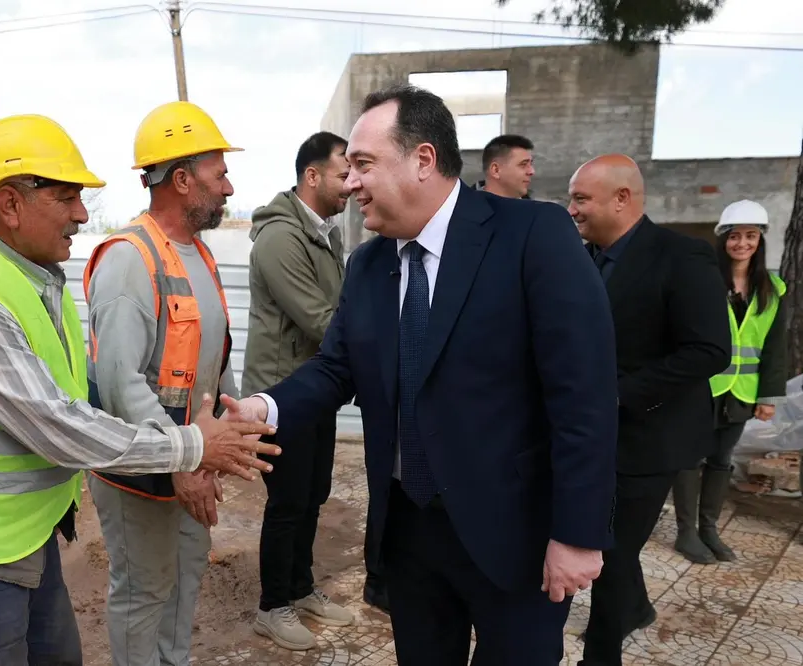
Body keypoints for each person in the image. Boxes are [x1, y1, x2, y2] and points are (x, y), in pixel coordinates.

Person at [223, 84, 619, 665]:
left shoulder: (532, 236)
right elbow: (335, 367)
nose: (350, 181)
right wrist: (264, 408)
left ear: (423, 160)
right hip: (410, 532)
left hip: (516, 533)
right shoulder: (368, 264)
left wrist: (579, 534)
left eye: (362, 164)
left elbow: (583, 394)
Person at [0, 114, 278, 666]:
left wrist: (209, 440)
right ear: (10, 202)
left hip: (26, 537)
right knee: (142, 592)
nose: (81, 213)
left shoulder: (36, 280)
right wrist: (189, 449)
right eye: (67, 197)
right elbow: (60, 424)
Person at [82, 100, 250, 666]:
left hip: (192, 458)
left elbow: (213, 358)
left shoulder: (198, 253)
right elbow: (117, 380)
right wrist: (182, 459)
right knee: (144, 590)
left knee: (184, 579)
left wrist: (219, 444)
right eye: (219, 173)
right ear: (181, 179)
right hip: (141, 464)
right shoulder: (130, 258)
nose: (228, 186)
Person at [567, 154, 731, 666]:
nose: (571, 209)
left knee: (611, 558)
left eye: (581, 199)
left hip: (646, 436)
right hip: (588, 436)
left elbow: (708, 350)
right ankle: (636, 608)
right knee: (610, 544)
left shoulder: (683, 257)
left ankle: (603, 654)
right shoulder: (585, 259)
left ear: (622, 198)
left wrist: (621, 393)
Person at [242, 131, 356, 650]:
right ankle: (273, 606)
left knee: (313, 495)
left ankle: (302, 587)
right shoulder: (281, 237)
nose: (351, 184)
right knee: (288, 501)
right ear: (313, 176)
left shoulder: (323, 232)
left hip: (316, 389)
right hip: (283, 394)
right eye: (342, 173)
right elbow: (319, 318)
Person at [672, 199, 787, 564]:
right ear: (723, 239)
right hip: (702, 389)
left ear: (760, 240)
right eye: (735, 236)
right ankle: (686, 533)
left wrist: (768, 396)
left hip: (742, 391)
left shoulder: (772, 288)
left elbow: (774, 345)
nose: (742, 243)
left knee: (722, 461)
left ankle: (709, 529)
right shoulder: (705, 280)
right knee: (690, 458)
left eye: (751, 236)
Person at [468, 134, 534, 199]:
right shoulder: (464, 208)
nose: (532, 171)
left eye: (531, 164)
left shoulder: (535, 208)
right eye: (523, 164)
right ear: (496, 170)